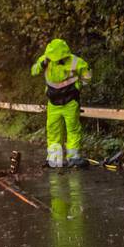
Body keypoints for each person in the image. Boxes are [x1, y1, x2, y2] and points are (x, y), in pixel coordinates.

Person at [31, 38, 92, 168]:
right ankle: (54, 159)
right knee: (53, 130)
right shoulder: (46, 60)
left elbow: (87, 74)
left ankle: (73, 158)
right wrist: (42, 64)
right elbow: (34, 71)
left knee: (73, 129)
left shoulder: (75, 61)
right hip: (53, 102)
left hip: (70, 101)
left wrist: (79, 86)